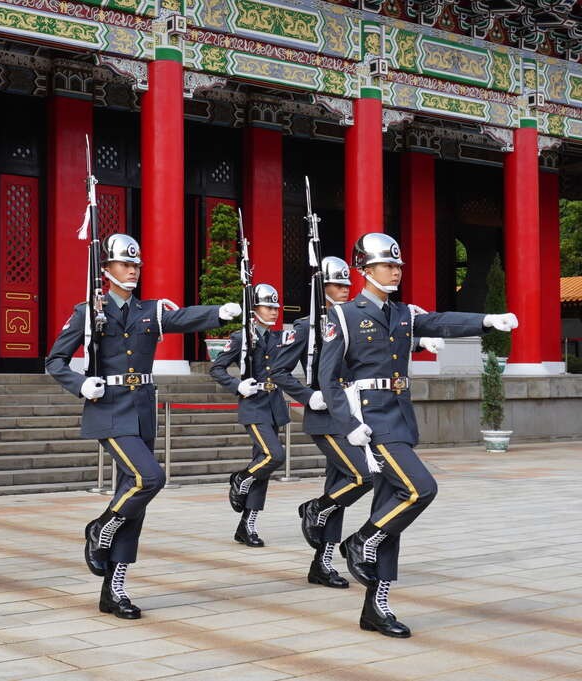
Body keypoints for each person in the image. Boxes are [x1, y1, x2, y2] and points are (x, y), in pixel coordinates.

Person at [319, 233, 518, 638]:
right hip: (372, 423)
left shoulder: (403, 313)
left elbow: (440, 319)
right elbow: (329, 378)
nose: (395, 271)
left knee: (390, 508)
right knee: (419, 489)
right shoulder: (343, 316)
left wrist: (486, 320)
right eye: (386, 265)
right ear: (364, 269)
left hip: (401, 419)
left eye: (397, 265)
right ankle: (359, 541)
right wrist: (350, 424)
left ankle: (376, 607)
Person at [46, 233, 240, 620]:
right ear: (106, 270)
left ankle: (114, 588)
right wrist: (81, 383)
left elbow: (180, 318)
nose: (132, 270)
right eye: (124, 264)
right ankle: (99, 528)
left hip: (141, 408)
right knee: (148, 478)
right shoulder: (88, 311)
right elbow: (55, 361)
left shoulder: (150, 310)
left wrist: (219, 312)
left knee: (133, 497)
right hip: (109, 409)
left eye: (136, 265)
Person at [269, 257, 373, 590]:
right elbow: (277, 370)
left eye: (346, 285)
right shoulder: (304, 328)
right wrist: (307, 395)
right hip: (326, 418)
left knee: (338, 489)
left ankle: (322, 563)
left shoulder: (354, 321)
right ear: (321, 288)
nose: (344, 290)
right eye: (337, 285)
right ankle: (315, 508)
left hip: (353, 413)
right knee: (363, 475)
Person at [209, 283, 288, 547]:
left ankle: (247, 525)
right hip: (253, 406)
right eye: (268, 307)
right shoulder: (242, 337)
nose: (274, 312)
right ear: (254, 309)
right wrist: (237, 385)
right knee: (273, 455)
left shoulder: (279, 339)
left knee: (262, 467)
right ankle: (241, 478)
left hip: (274, 405)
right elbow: (217, 368)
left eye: (276, 307)